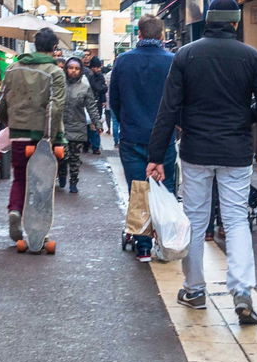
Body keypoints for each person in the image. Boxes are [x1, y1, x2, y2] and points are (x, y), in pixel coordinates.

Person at [146, 0, 257, 324]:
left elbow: (169, 109)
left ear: (207, 21)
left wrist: (155, 155)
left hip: (196, 150)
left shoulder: (186, 55)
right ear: (235, 23)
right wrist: (243, 116)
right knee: (235, 220)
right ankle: (242, 291)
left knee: (194, 218)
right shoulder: (251, 56)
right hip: (235, 151)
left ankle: (194, 289)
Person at [109, 15, 174, 262]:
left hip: (132, 134)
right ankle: (167, 241)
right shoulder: (172, 61)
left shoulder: (123, 61)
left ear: (139, 34)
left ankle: (143, 246)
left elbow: (114, 100)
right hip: (164, 137)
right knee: (165, 188)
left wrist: (126, 121)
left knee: (138, 189)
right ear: (162, 35)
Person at [0, 28, 67, 242]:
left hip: (18, 133)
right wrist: (49, 138)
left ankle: (15, 210)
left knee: (20, 177)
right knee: (42, 183)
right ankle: (38, 231)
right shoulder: (55, 72)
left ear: (35, 45)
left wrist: (11, 123)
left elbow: (0, 104)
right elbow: (55, 107)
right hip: (43, 135)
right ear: (54, 48)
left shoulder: (13, 68)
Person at [57, 57, 101, 195]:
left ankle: (73, 182)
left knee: (75, 158)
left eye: (76, 68)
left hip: (77, 127)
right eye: (71, 68)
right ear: (66, 69)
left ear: (81, 70)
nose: (73, 71)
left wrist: (97, 123)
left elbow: (91, 106)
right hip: (60, 127)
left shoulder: (85, 87)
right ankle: (62, 174)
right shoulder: (58, 84)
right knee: (62, 155)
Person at [84, 56, 108, 155]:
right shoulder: (88, 74)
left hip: (96, 103)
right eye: (97, 67)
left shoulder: (98, 75)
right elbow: (100, 88)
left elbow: (102, 89)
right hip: (88, 103)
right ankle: (89, 145)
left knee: (94, 125)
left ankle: (94, 146)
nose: (98, 69)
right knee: (88, 125)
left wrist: (103, 99)